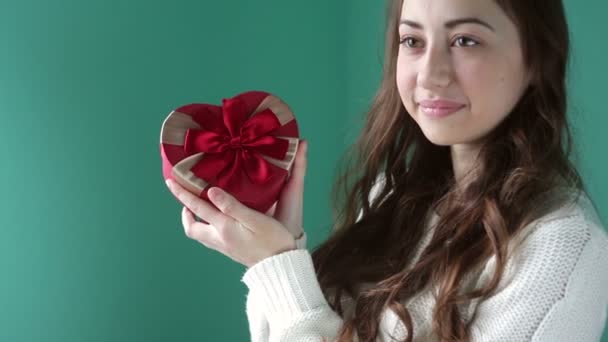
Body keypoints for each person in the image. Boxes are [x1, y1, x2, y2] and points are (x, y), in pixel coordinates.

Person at [165, 0, 608, 340]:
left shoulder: (566, 249)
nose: (430, 75)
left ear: (537, 60)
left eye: (465, 41)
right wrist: (283, 251)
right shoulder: (392, 196)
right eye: (412, 41)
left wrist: (277, 266)